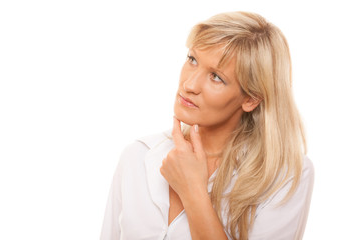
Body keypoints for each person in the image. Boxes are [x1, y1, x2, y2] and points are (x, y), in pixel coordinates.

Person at [100, 11, 314, 240]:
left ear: (251, 99)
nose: (189, 84)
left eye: (216, 77)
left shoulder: (286, 176)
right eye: (192, 59)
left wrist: (193, 191)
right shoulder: (137, 156)